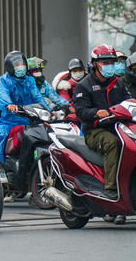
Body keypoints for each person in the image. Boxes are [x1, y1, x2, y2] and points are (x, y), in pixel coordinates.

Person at [74, 44, 131, 225]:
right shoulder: (84, 85)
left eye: (112, 62)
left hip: (119, 127)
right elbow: (81, 112)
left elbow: (129, 102)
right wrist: (96, 113)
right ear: (95, 64)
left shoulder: (118, 83)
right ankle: (111, 189)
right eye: (105, 62)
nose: (109, 65)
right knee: (114, 144)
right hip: (95, 130)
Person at [0, 51, 49, 199]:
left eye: (22, 64)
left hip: (30, 120)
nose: (20, 67)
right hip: (10, 120)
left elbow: (38, 97)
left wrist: (48, 110)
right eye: (17, 65)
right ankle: (0, 166)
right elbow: (1, 96)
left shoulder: (30, 81)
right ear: (9, 67)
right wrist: (9, 105)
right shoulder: (4, 81)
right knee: (1, 134)